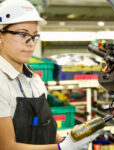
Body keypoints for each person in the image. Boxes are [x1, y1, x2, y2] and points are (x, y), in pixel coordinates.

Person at [0, 0, 102, 150]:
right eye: (22, 34)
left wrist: (70, 143)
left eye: (34, 36)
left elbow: (46, 129)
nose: (31, 43)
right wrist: (62, 148)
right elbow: (7, 146)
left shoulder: (35, 80)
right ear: (1, 36)